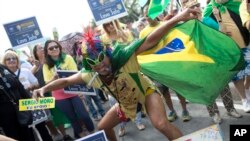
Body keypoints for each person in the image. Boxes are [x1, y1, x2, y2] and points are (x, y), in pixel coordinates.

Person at [33, 8, 200, 141]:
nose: (99, 65)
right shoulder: (90, 74)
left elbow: (150, 39)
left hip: (146, 93)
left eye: (100, 58)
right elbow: (65, 81)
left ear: (107, 53)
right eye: (92, 63)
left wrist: (177, 18)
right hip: (126, 103)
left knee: (161, 124)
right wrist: (44, 89)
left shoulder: (124, 58)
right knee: (103, 127)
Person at [140, 5, 192, 122]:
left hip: (171, 64)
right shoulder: (143, 33)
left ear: (156, 13)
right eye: (146, 14)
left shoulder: (165, 25)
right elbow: (143, 50)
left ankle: (185, 110)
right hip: (156, 67)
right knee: (164, 91)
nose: (148, 16)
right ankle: (172, 111)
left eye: (150, 13)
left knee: (178, 88)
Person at [202, 0, 247, 123]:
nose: (194, 8)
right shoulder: (188, 22)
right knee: (208, 87)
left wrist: (218, 18)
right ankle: (214, 113)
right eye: (187, 4)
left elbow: (222, 31)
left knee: (223, 84)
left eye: (195, 5)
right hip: (200, 58)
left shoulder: (205, 18)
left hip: (216, 55)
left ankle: (230, 109)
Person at [42, 40, 94, 139]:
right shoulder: (46, 65)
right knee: (72, 119)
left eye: (56, 47)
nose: (54, 49)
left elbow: (76, 74)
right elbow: (47, 83)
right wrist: (54, 78)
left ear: (59, 48)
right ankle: (83, 137)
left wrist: (80, 91)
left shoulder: (68, 58)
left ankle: (94, 133)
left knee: (84, 115)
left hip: (73, 91)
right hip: (59, 96)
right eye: (51, 48)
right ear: (47, 51)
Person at [2, 50, 53, 141]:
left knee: (41, 127)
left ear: (18, 60)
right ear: (4, 62)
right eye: (8, 59)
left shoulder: (25, 71)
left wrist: (30, 87)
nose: (11, 60)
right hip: (17, 107)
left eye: (14, 58)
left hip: (29, 101)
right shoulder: (3, 76)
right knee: (28, 132)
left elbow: (37, 84)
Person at [0, 64, 35, 141]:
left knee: (29, 134)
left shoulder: (3, 67)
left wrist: (30, 102)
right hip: (5, 117)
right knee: (13, 137)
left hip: (21, 109)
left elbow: (19, 85)